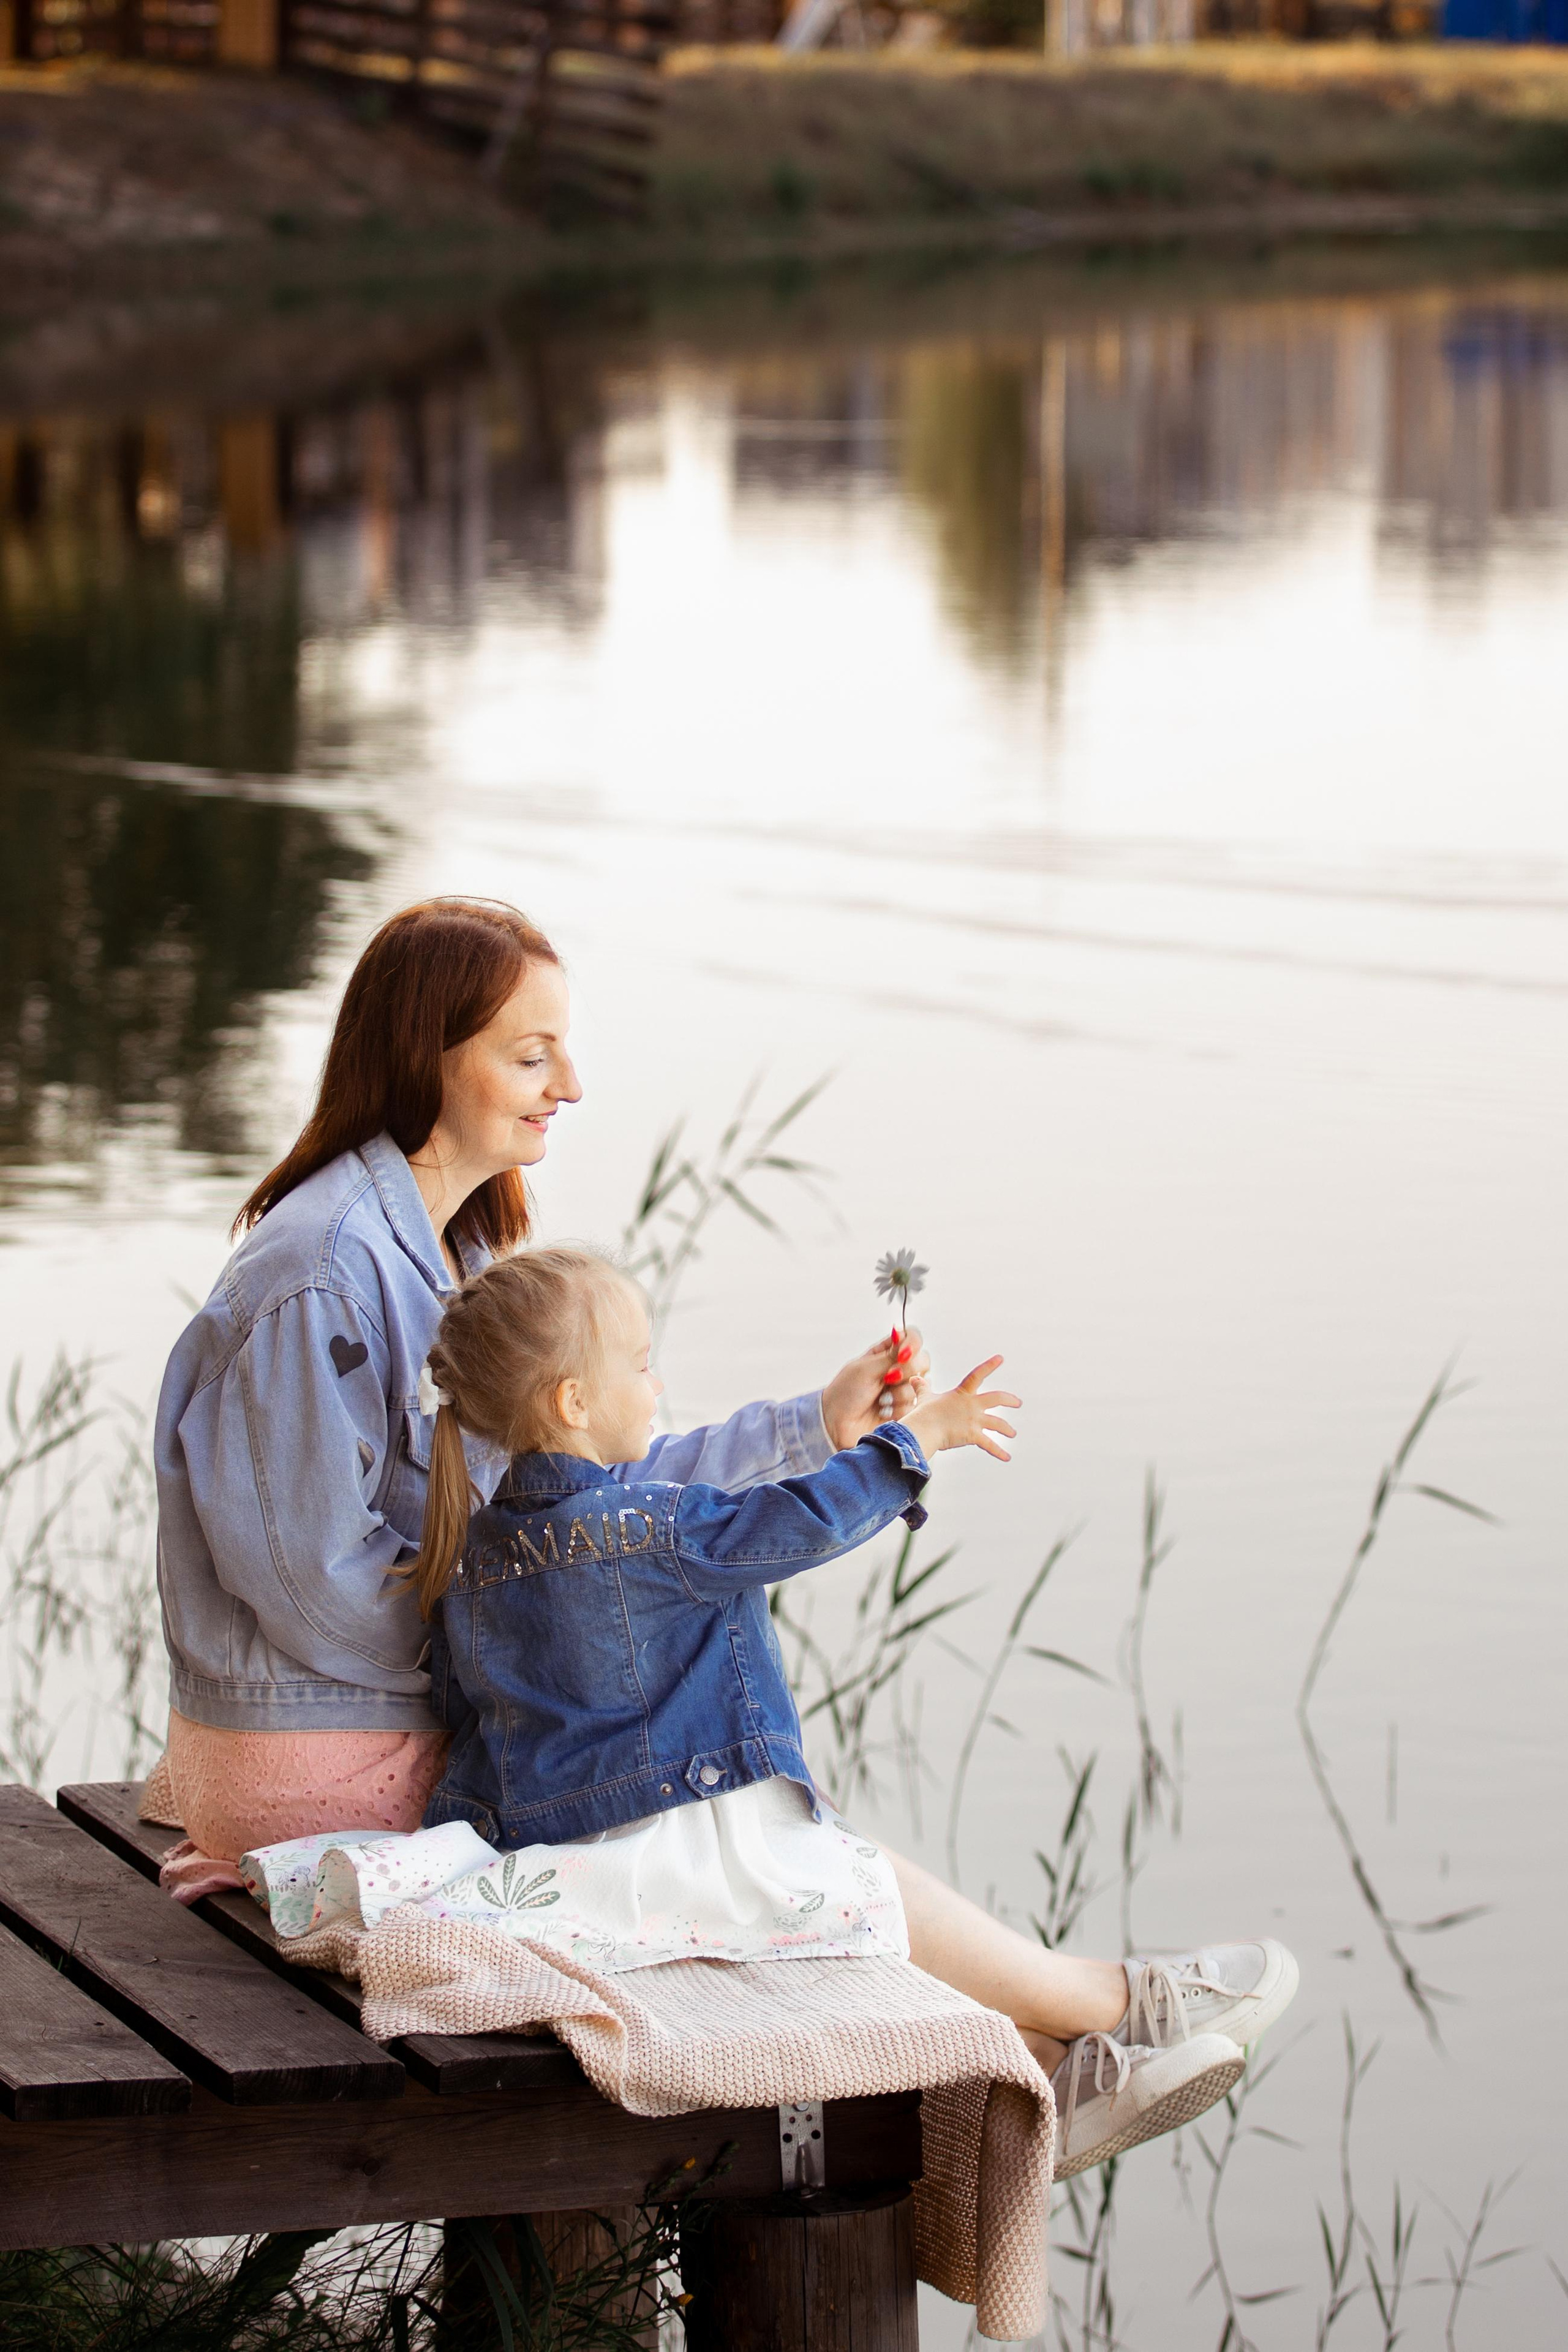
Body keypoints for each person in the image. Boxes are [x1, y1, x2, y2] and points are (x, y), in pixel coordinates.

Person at [151, 894, 1297, 2170]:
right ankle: (1085, 2020)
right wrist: (546, 1616)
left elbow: (600, 1503)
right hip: (324, 1750)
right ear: (427, 1055)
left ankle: (1039, 2066)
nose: (569, 1084)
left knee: (722, 1828)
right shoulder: (319, 1269)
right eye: (530, 1055)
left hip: (378, 1730)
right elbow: (307, 1582)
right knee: (731, 1838)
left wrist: (812, 1424)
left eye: (562, 1051)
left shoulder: (445, 1252)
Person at [404, 1243, 1253, 2176]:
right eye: (642, 1364)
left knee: (849, 1881)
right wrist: (919, 1439)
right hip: (668, 1847)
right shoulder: (650, 1529)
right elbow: (798, 1521)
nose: (657, 1381)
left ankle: (1060, 2068)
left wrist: (831, 1417)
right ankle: (1106, 2016)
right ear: (572, 1403)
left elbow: (472, 1713)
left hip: (544, 1845)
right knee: (849, 1878)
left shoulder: (471, 1554)